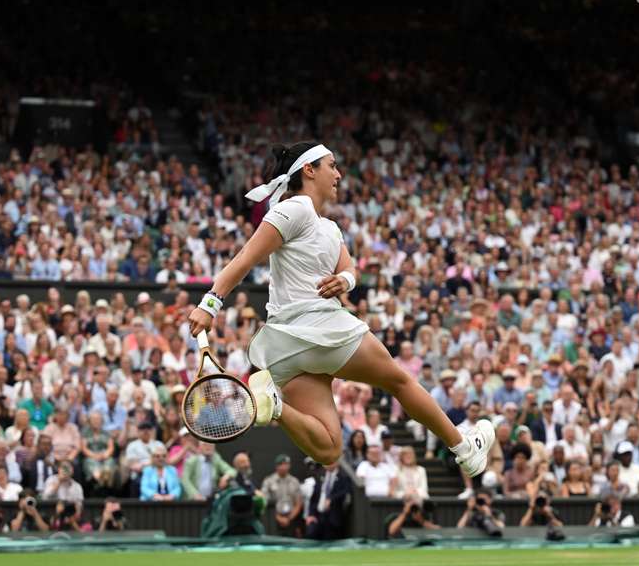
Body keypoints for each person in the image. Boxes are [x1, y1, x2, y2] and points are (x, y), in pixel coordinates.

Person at [187, 142, 493, 479]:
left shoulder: (329, 227)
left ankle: (276, 407)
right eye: (332, 166)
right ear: (309, 170)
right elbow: (245, 259)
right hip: (316, 327)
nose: (338, 174)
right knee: (400, 380)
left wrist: (345, 280)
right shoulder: (293, 209)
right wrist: (209, 304)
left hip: (287, 348)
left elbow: (350, 269)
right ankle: (465, 449)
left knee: (329, 448)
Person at [305, 461, 352, 540]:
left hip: (333, 517)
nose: (327, 464)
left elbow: (345, 491)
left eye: (330, 461)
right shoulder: (320, 475)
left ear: (337, 463)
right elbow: (313, 498)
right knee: (311, 533)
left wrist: (331, 499)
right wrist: (311, 515)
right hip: (318, 516)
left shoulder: (343, 477)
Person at [262, 454, 303, 537]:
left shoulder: (294, 481)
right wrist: (278, 518)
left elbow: (298, 503)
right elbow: (264, 501)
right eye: (282, 464)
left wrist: (289, 518)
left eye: (286, 464)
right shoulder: (269, 481)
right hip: (274, 519)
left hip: (291, 518)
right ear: (277, 466)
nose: (284, 467)